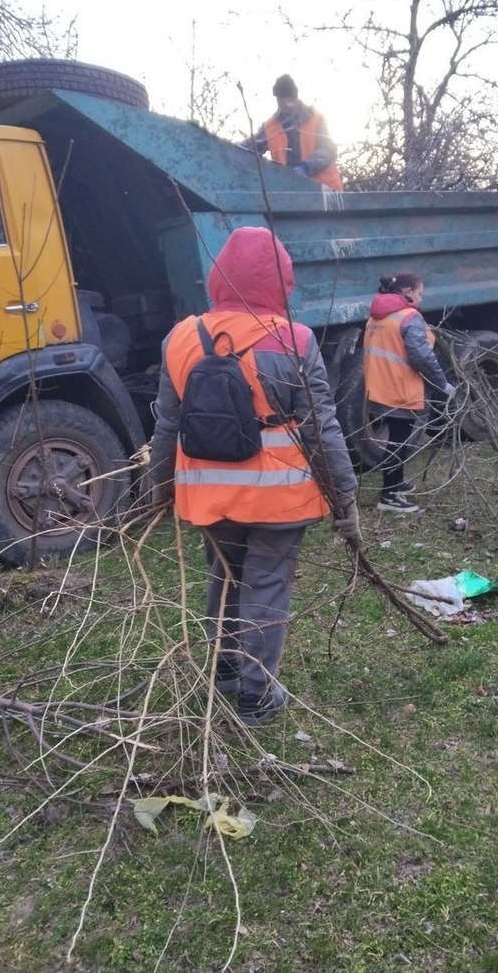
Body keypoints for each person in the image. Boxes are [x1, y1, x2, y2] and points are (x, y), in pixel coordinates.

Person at [147, 226, 359, 727]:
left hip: (207, 493)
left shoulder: (180, 337)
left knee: (223, 577)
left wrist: (157, 488)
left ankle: (222, 671)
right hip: (278, 499)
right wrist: (346, 498)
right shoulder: (295, 338)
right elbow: (321, 428)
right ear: (281, 278)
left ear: (220, 275)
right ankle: (257, 695)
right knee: (265, 586)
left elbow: (166, 422)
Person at [363, 273, 454, 513]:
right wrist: (442, 384)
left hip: (379, 386)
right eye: (419, 293)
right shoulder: (409, 317)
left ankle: (397, 482)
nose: (421, 298)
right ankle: (389, 496)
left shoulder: (377, 316)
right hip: (399, 388)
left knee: (397, 437)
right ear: (408, 291)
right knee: (398, 441)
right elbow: (422, 356)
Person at [241, 74, 343, 191]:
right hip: (291, 192)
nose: (285, 103)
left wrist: (305, 167)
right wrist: (229, 147)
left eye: (288, 99)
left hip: (324, 192)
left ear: (295, 96)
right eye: (280, 99)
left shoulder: (316, 118)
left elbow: (328, 150)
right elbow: (251, 146)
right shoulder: (270, 127)